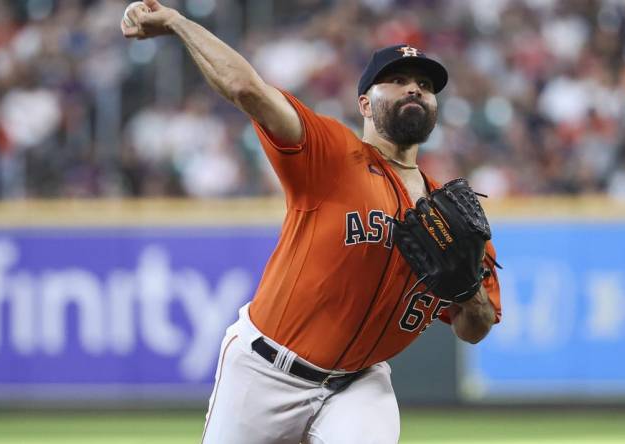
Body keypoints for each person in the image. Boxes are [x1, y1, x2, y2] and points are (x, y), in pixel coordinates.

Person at [122, 1, 502, 442]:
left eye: (423, 85)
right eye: (396, 81)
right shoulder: (331, 153)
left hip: (360, 384)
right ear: (364, 102)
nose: (413, 89)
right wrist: (176, 21)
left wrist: (467, 288)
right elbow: (247, 89)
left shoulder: (453, 217)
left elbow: (475, 328)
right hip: (266, 370)